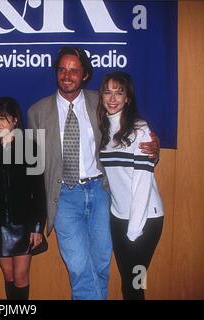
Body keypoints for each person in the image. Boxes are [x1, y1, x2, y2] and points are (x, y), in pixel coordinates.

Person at [27, 47, 159, 300]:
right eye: (62, 69)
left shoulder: (99, 102)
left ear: (84, 74)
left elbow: (129, 128)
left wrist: (154, 145)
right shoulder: (37, 112)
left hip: (102, 193)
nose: (67, 75)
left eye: (74, 70)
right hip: (64, 196)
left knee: (100, 265)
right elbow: (33, 167)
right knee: (78, 266)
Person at [97, 72, 164, 300]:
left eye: (119, 92)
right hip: (118, 217)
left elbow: (143, 182)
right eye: (108, 92)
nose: (113, 98)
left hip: (146, 218)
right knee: (129, 283)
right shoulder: (104, 129)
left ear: (128, 98)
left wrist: (135, 230)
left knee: (136, 282)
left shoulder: (140, 129)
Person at [0, 97, 47, 300]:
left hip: (24, 224)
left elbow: (39, 191)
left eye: (2, 119)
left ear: (14, 120)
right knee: (9, 275)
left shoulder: (29, 147)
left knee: (21, 276)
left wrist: (37, 227)